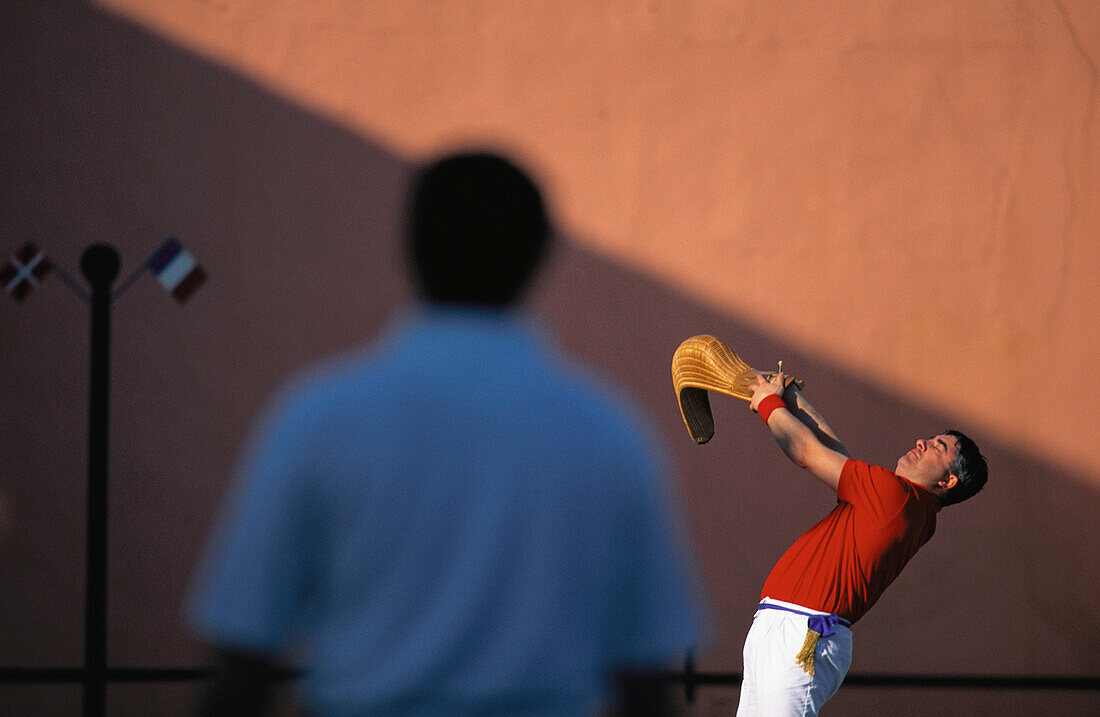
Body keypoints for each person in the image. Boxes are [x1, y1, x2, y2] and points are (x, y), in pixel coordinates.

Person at [186, 150, 705, 716]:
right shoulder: (610, 435)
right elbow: (646, 684)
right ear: (539, 257)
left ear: (408, 246)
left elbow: (241, 664)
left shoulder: (318, 419)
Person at [735, 369, 987, 716]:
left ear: (949, 480)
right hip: (784, 628)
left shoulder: (894, 496)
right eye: (930, 438)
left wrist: (768, 404)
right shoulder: (902, 502)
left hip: (804, 635)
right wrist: (790, 395)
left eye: (937, 447)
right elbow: (834, 451)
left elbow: (806, 451)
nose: (921, 442)